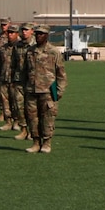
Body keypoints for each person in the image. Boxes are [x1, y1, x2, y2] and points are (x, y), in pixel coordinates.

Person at [22, 25, 66, 153]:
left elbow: (61, 74)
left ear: (47, 35)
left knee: (47, 118)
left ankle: (47, 143)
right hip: (31, 90)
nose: (38, 36)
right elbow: (25, 71)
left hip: (47, 91)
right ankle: (36, 142)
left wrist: (59, 92)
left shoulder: (53, 52)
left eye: (42, 34)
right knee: (32, 118)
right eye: (37, 34)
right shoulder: (30, 51)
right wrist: (25, 87)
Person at [10, 23, 35, 140]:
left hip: (32, 81)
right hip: (19, 80)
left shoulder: (35, 45)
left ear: (32, 31)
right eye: (23, 30)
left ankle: (32, 131)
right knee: (19, 106)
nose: (24, 32)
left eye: (26, 30)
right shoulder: (17, 45)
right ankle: (24, 130)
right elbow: (13, 63)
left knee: (31, 108)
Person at [0, 25, 19, 132]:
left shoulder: (20, 48)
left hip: (16, 80)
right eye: (9, 33)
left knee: (16, 102)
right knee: (5, 101)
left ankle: (17, 122)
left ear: (17, 34)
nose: (10, 35)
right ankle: (8, 122)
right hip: (4, 78)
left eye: (13, 33)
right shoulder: (2, 48)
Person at [0, 17, 15, 122]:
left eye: (5, 24)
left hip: (12, 69)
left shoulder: (14, 38)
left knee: (13, 93)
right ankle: (2, 112)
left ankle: (14, 115)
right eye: (2, 25)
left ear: (9, 24)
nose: (3, 26)